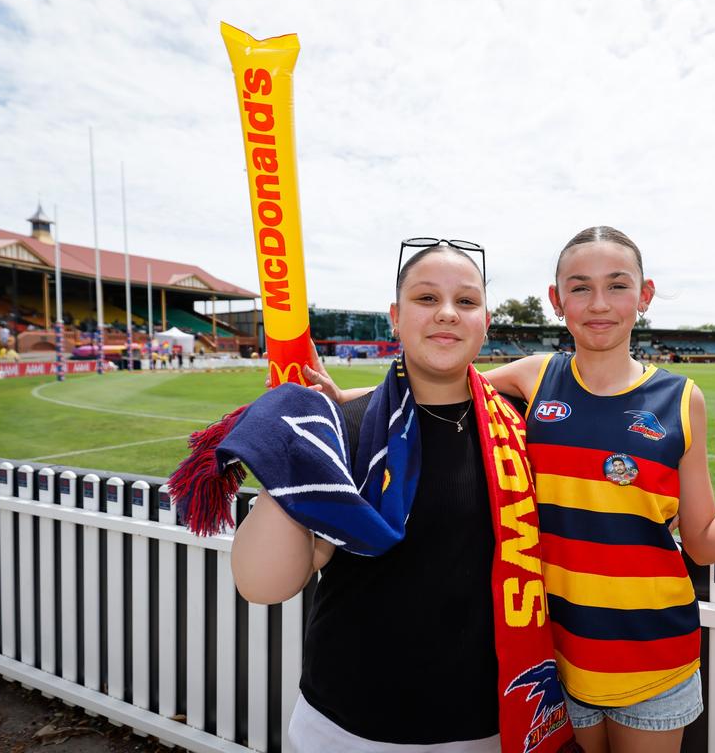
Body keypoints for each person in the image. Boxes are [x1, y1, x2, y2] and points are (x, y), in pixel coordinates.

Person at [309, 226, 715, 753]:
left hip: (653, 659)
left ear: (643, 295)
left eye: (617, 285)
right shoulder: (536, 376)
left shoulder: (682, 400)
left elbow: (703, 538)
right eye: (581, 288)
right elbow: (437, 386)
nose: (599, 303)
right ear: (557, 300)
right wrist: (344, 397)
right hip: (557, 661)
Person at [212, 239, 577, 753]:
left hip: (492, 725)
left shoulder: (520, 429)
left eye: (466, 302)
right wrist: (291, 442)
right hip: (349, 729)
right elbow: (263, 584)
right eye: (426, 298)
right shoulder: (348, 430)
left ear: (485, 321)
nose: (448, 314)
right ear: (395, 317)